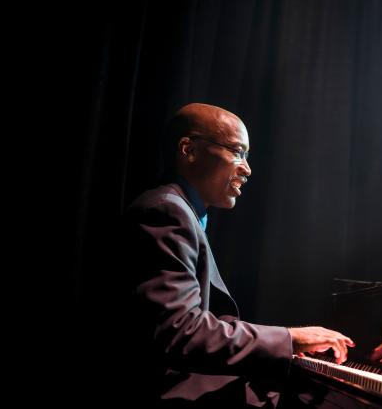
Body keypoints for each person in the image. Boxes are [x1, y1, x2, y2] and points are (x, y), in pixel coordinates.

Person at [120, 103, 354, 408]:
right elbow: (179, 331)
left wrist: (282, 343)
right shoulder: (166, 211)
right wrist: (289, 339)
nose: (246, 169)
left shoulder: (180, 212)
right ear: (188, 149)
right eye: (237, 152)